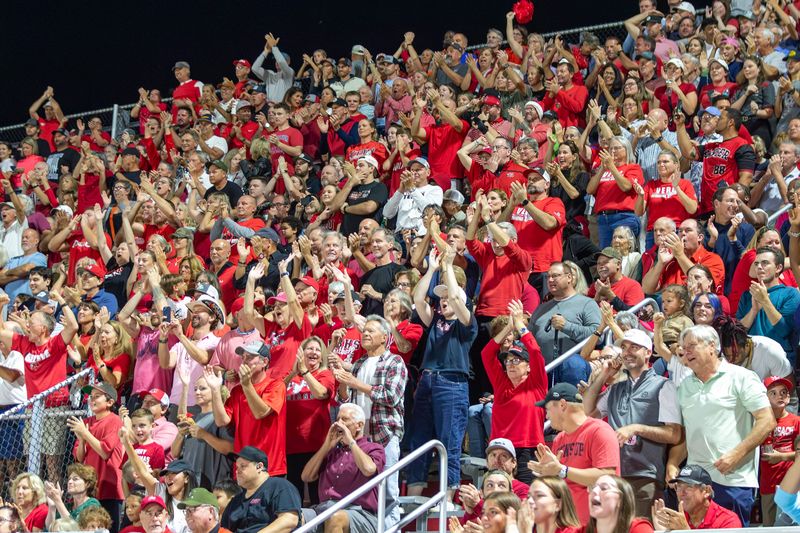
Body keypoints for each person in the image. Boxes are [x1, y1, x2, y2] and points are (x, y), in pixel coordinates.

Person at [675, 325, 776, 525]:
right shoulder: (684, 385)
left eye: (691, 346)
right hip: (695, 483)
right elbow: (688, 432)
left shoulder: (742, 377)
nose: (685, 352)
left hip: (733, 480)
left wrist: (736, 454)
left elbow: (767, 421)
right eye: (683, 348)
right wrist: (672, 462)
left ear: (712, 346)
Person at [582, 329, 682, 517]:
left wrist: (637, 428)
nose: (627, 352)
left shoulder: (664, 385)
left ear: (648, 353)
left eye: (634, 347)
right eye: (624, 347)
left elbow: (674, 434)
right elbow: (588, 412)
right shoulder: (615, 388)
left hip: (645, 476)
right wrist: (604, 374)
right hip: (614, 474)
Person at [408, 247, 476, 503]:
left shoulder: (466, 321)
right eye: (441, 298)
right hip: (427, 381)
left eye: (447, 296)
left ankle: (447, 500)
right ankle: (413, 499)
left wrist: (448, 268)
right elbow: (417, 299)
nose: (443, 300)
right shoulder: (435, 320)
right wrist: (433, 269)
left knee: (449, 441)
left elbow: (459, 301)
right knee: (419, 440)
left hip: (452, 383)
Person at [530, 383, 620, 524]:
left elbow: (608, 477)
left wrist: (562, 470)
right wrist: (548, 474)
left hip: (595, 525)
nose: (546, 415)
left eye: (547, 409)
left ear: (562, 405)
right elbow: (561, 481)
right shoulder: (559, 439)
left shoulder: (600, 431)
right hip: (567, 523)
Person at [480, 300, 547, 484]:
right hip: (501, 450)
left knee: (526, 498)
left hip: (529, 449)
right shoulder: (501, 383)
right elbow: (486, 354)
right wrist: (508, 326)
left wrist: (520, 326)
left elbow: (534, 351)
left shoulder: (536, 384)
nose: (510, 364)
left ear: (528, 367)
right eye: (508, 361)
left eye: (516, 361)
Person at [207, 340, 288, 477]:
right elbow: (221, 421)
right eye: (243, 357)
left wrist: (246, 385)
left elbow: (261, 412)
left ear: (265, 362)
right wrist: (215, 390)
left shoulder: (276, 385)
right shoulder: (238, 390)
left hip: (270, 467)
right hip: (243, 467)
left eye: (250, 357)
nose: (244, 361)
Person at [301, 403, 385, 533]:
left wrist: (351, 441)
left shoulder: (373, 448)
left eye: (344, 419)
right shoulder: (332, 452)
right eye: (338, 419)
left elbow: (369, 469)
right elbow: (306, 476)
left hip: (358, 513)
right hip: (323, 509)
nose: (339, 423)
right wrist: (327, 445)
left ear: (359, 425)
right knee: (291, 516)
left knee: (335, 517)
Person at [528, 262, 601, 385]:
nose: (550, 280)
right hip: (543, 369)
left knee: (573, 364)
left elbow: (598, 335)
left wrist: (566, 326)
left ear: (569, 278)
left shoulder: (587, 304)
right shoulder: (541, 309)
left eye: (555, 276)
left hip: (572, 369)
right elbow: (529, 339)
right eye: (548, 277)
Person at [221, 446, 301, 533]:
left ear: (259, 467)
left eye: (243, 466)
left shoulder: (279, 486)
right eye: (237, 467)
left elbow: (289, 520)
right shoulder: (235, 501)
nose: (237, 471)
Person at [737, 247, 800, 355]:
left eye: (765, 263)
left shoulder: (791, 294)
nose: (759, 267)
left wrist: (765, 301)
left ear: (778, 268)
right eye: (756, 264)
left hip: (780, 358)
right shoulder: (747, 295)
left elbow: (785, 330)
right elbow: (737, 333)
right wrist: (753, 311)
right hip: (750, 357)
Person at [758, 376, 800, 526]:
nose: (780, 396)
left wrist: (782, 457)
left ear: (789, 397)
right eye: (773, 393)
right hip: (767, 483)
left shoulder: (796, 421)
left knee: (790, 524)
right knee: (768, 526)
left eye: (784, 392)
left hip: (790, 485)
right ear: (764, 397)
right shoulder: (759, 422)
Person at [652, 465, 742, 530]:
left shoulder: (728, 521)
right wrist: (663, 532)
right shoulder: (677, 520)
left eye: (689, 487)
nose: (681, 493)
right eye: (679, 487)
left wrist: (685, 531)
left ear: (706, 491)